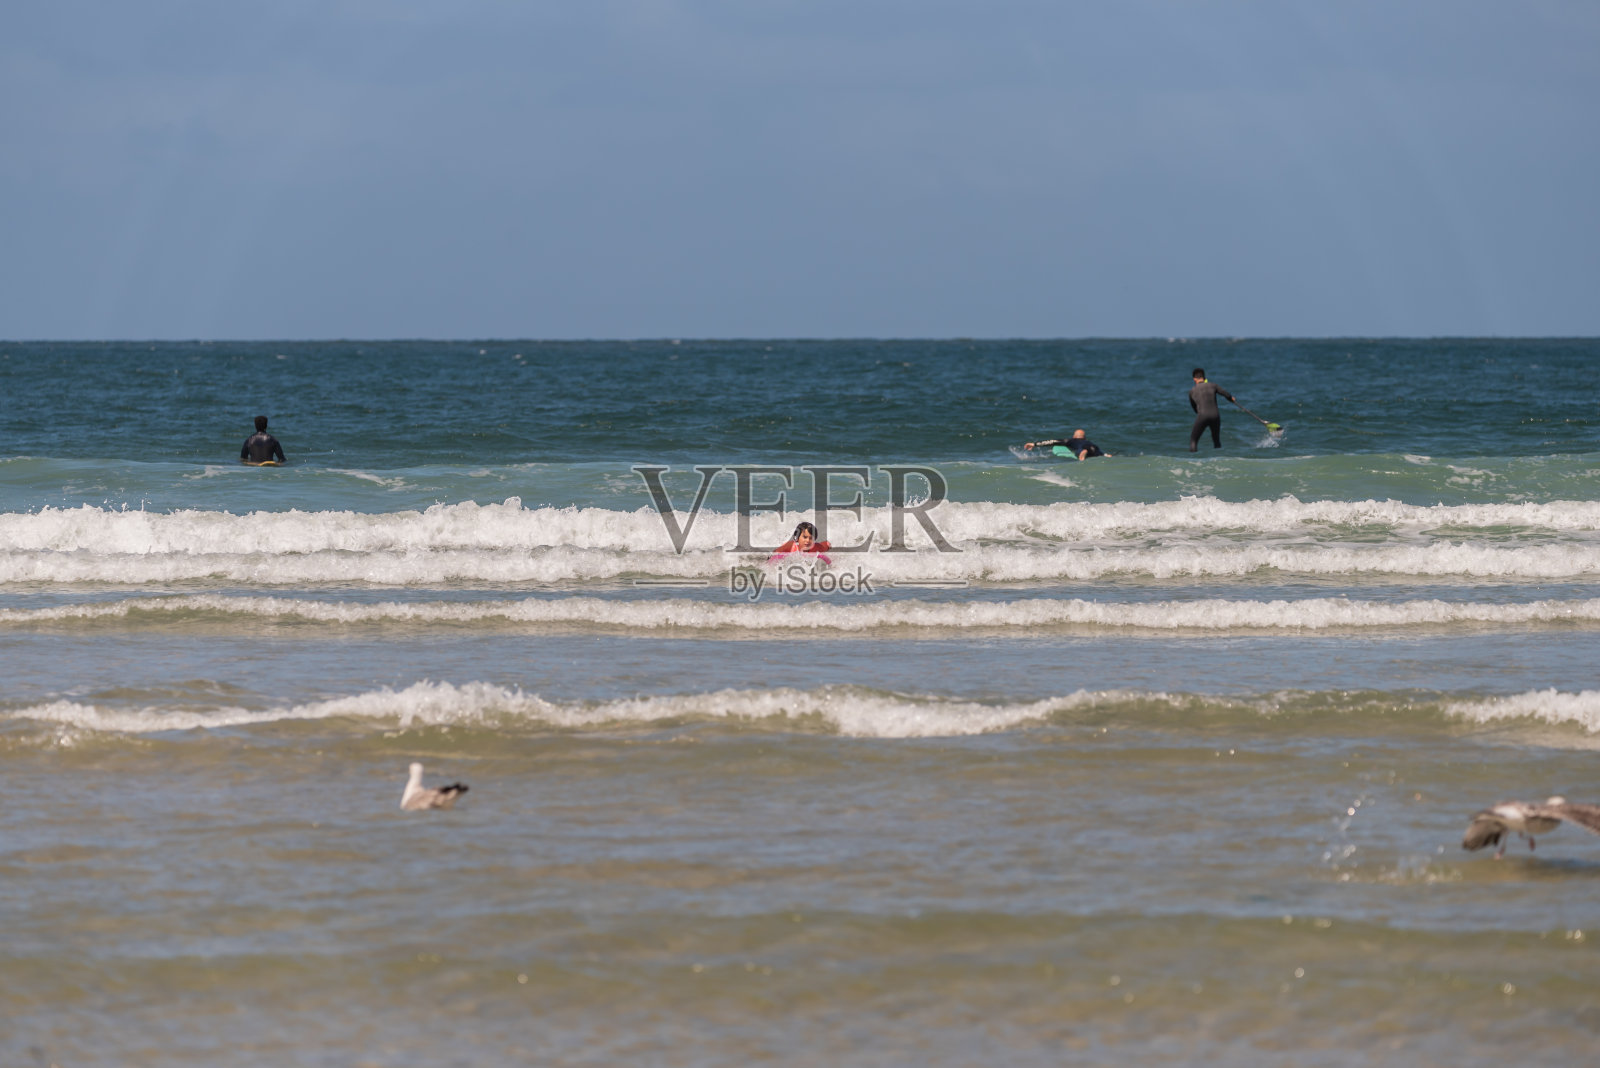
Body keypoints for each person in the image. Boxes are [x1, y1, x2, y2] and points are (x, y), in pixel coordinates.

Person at [1187, 368, 1236, 452]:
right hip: (1215, 416)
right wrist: (1231, 398)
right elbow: (1226, 394)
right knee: (1216, 441)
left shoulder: (1192, 391)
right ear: (1204, 377)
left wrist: (1201, 415)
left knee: (1193, 440)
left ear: (1194, 379)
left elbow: (1194, 408)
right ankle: (1219, 460)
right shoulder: (1213, 385)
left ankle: (1193, 461)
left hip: (1202, 416)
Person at [768, 521, 833, 564]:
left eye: (811, 538)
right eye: (805, 537)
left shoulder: (816, 547)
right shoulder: (790, 546)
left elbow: (826, 545)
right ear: (797, 537)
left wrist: (829, 545)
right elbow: (775, 553)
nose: (808, 540)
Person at [1023, 429, 1110, 460]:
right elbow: (1099, 451)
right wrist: (1105, 454)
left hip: (1083, 449)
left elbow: (1053, 441)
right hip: (1094, 448)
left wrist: (1034, 444)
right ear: (1084, 437)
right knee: (1099, 453)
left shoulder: (1072, 440)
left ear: (1074, 436)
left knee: (1080, 450)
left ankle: (1083, 453)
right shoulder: (1090, 442)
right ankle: (1108, 455)